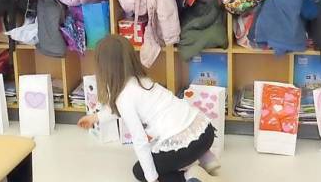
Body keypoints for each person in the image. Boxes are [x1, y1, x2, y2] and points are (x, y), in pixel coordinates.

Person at [77, 35, 220, 182]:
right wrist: (95, 118)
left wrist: (151, 178)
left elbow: (140, 141)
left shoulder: (124, 97)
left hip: (187, 146)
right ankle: (208, 159)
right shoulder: (142, 81)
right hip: (206, 131)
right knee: (179, 132)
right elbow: (117, 110)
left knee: (139, 171)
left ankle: (191, 177)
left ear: (104, 69)